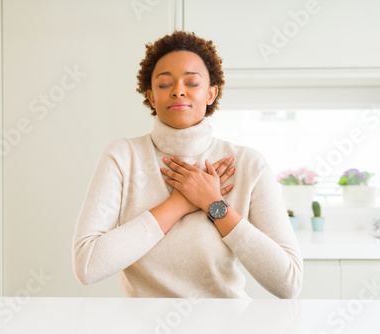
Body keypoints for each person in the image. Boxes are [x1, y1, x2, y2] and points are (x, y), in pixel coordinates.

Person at [72, 31, 303, 299]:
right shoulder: (123, 156)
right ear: (151, 96)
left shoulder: (248, 164)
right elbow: (87, 266)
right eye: (164, 84)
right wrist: (178, 204)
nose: (178, 90)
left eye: (192, 82)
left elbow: (289, 284)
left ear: (211, 93)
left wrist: (215, 205)